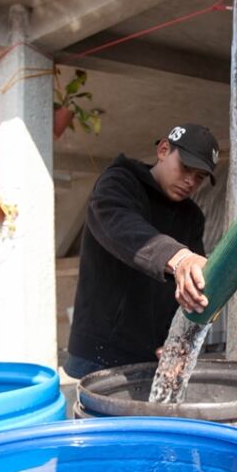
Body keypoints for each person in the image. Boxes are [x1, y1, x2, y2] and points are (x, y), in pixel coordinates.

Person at [63, 123, 218, 379]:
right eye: (186, 168)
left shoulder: (192, 216)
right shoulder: (119, 184)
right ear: (163, 150)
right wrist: (180, 258)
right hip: (98, 352)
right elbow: (122, 227)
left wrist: (180, 339)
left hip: (153, 354)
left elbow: (189, 288)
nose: (190, 181)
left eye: (200, 176)